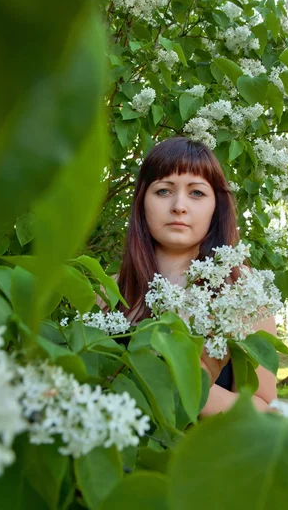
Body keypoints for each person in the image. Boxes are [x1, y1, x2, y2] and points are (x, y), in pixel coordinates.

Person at [115, 135, 277, 417]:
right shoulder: (109, 290)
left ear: (217, 207)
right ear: (142, 202)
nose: (179, 205)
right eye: (163, 190)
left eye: (197, 193)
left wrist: (184, 381)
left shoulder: (242, 293)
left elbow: (265, 410)